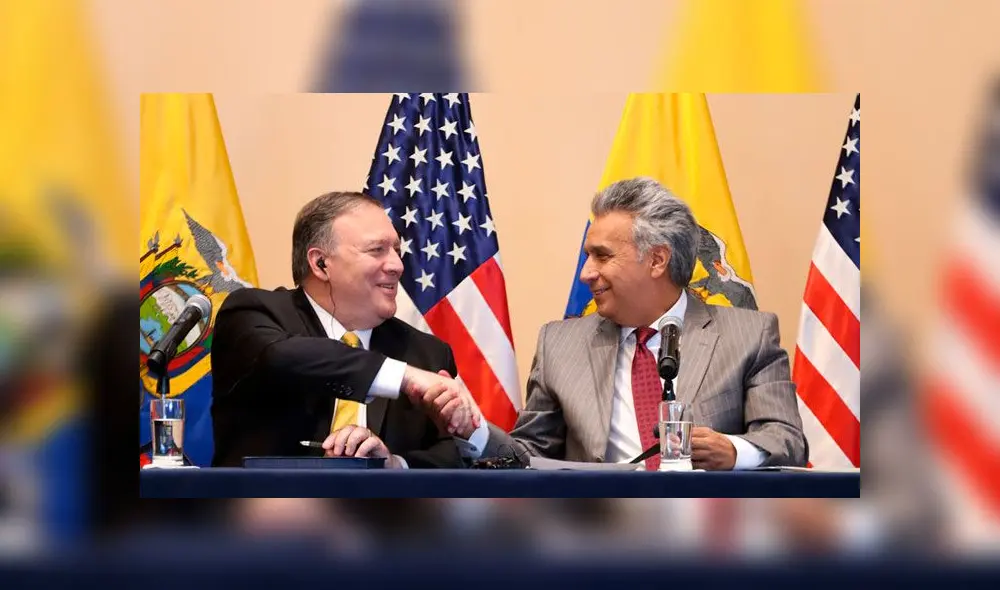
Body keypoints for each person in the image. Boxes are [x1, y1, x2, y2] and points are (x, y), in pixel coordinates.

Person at [427, 177, 807, 470]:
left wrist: (733, 450)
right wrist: (472, 428)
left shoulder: (749, 336)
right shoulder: (558, 344)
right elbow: (528, 456)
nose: (586, 274)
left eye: (602, 256)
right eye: (587, 257)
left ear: (657, 260)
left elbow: (785, 439)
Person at [210, 191, 478, 468]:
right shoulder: (252, 313)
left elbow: (451, 457)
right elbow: (281, 357)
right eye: (377, 250)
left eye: (397, 251)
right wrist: (405, 378)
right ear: (320, 263)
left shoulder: (427, 353)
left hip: (386, 512)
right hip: (262, 508)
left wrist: (393, 465)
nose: (397, 265)